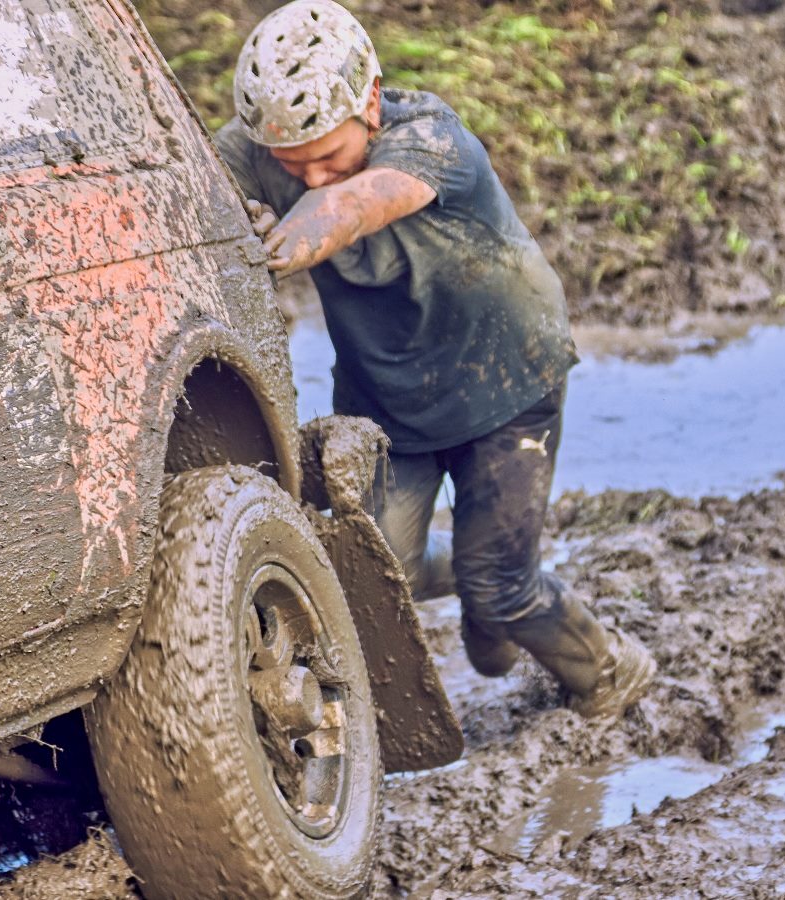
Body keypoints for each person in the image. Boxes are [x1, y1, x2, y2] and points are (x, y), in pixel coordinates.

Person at [216, 0, 655, 718]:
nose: (314, 177)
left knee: (503, 601)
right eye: (293, 167)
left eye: (329, 154)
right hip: (386, 397)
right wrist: (233, 212)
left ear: (373, 103)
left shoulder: (433, 139)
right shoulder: (254, 156)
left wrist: (278, 236)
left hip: (506, 383)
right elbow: (200, 186)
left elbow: (359, 202)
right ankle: (484, 582)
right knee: (376, 568)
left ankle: (611, 671)